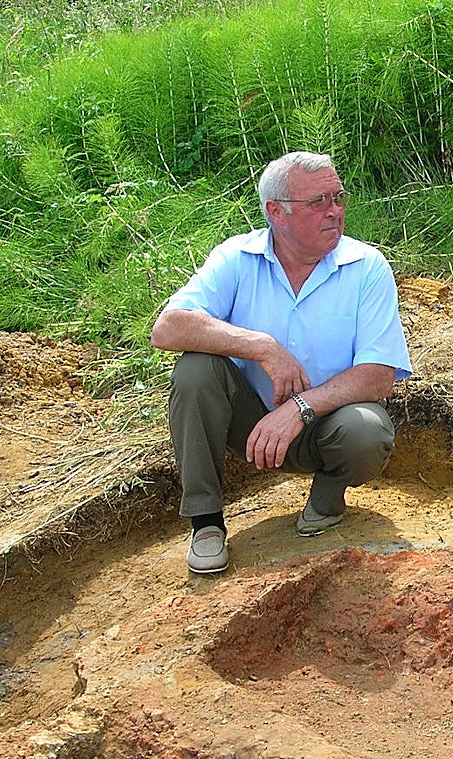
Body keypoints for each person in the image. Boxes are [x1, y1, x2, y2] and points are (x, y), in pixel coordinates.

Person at [151, 151, 413, 575]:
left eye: (338, 198)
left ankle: (327, 500)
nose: (335, 212)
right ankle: (205, 523)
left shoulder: (366, 267)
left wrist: (299, 408)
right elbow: (167, 328)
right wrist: (262, 346)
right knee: (195, 368)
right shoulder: (236, 258)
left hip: (325, 426)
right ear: (277, 212)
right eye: (318, 203)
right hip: (247, 423)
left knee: (368, 429)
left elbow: (379, 375)